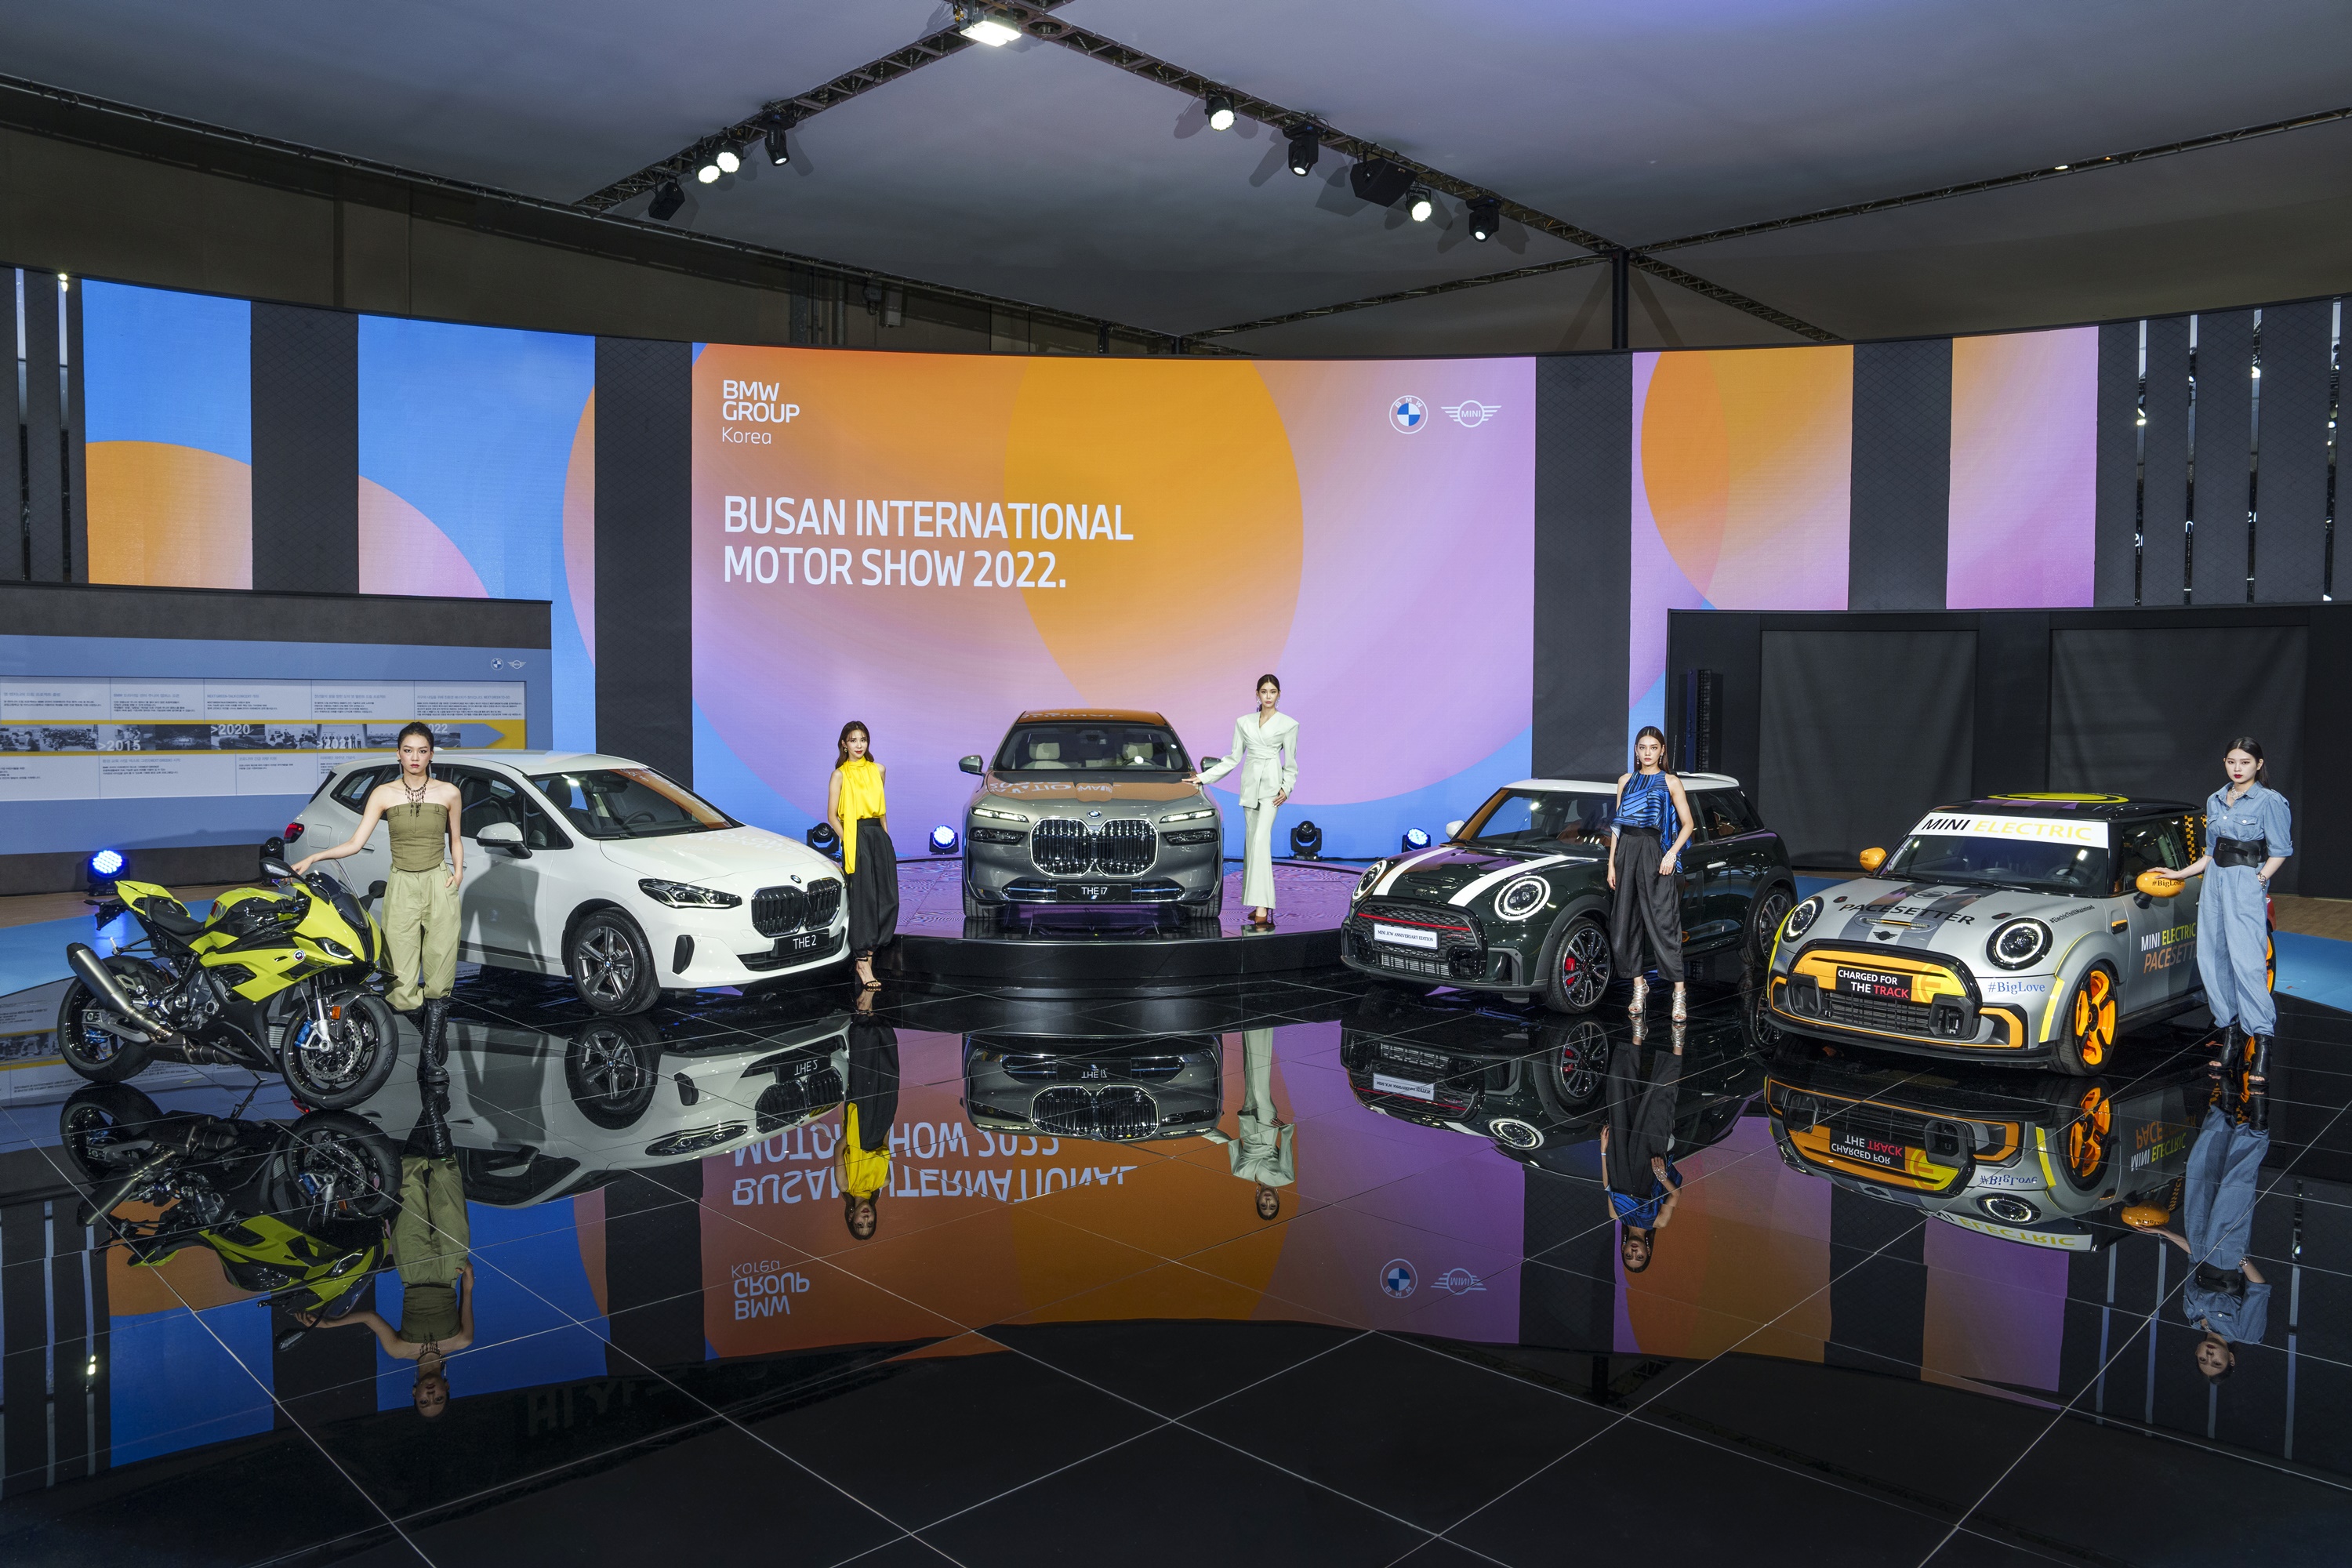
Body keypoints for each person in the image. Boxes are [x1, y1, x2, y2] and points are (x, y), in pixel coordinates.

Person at [295, 720, 463, 1099]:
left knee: (440, 975)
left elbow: (456, 837)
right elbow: (356, 843)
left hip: (439, 884)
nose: (415, 758)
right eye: (408, 750)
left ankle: (429, 1059)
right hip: (402, 885)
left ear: (431, 754)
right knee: (399, 986)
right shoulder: (384, 794)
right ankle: (432, 1030)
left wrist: (458, 872)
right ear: (398, 754)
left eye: (422, 751)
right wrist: (316, 857)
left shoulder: (449, 792)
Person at [299, 1116, 474, 1418]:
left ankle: (430, 1108)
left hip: (412, 1271)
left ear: (414, 1393)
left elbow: (370, 1317)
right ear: (446, 1388)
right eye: (438, 1399)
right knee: (447, 1184)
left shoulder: (399, 1350)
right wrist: (469, 1284)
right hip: (450, 1271)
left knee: (408, 1185)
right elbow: (467, 1297)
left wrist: (329, 1323)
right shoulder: (462, 1340)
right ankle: (435, 1109)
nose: (430, 1395)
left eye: (424, 1401)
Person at [2158, 738, 2292, 1082]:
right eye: (2232, 761)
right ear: (2225, 763)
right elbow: (2209, 852)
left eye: (2245, 762)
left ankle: (2262, 1042)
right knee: (2212, 960)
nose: (2237, 768)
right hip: (2214, 882)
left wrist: (2259, 879)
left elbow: (2280, 850)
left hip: (2245, 881)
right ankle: (2230, 1036)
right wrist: (2179, 874)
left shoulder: (2270, 801)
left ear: (2258, 764)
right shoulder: (2216, 799)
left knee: (2248, 964)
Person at [2150, 1076, 2270, 1383]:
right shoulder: (2246, 1334)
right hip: (2228, 1257)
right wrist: (2240, 1259)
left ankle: (2225, 1107)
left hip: (2200, 1247)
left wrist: (2166, 1234)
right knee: (2235, 1186)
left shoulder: (2192, 1317)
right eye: (2216, 1362)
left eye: (2203, 1359)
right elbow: (2259, 1289)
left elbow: (2194, 1262)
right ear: (2231, 1359)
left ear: (2197, 1352)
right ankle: (2257, 1122)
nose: (2209, 1355)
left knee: (2199, 1174)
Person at [1190, 674, 1298, 931]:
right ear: (1257, 694)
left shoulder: (1289, 724)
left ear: (1279, 694)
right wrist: (1203, 778)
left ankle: (1263, 907)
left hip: (1272, 788)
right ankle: (1257, 902)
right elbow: (1232, 759)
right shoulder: (1244, 722)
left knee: (1260, 841)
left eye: (1273, 691)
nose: (1269, 696)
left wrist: (1287, 788)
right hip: (1250, 787)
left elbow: (1291, 764)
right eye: (1264, 691)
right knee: (1251, 845)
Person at [1607, 726, 1695, 1020]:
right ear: (1636, 750)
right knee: (1625, 924)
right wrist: (1611, 863)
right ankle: (1639, 987)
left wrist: (1672, 853)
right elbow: (1618, 826)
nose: (1648, 753)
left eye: (1653, 747)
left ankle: (1679, 994)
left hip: (1656, 853)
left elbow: (1688, 824)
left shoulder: (1670, 781)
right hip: (1626, 852)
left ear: (1662, 751)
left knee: (1664, 923)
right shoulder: (1625, 781)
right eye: (1643, 747)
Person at [1599, 1016, 1686, 1273]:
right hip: (1649, 1168)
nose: (1634, 1252)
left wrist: (1603, 1151)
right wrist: (1663, 1177)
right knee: (1658, 1105)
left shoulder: (1615, 1216)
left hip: (1618, 1161)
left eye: (1629, 1255)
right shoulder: (1658, 1223)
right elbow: (1675, 1195)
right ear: (1648, 1251)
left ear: (1623, 1248)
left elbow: (1607, 1185)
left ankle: (1637, 1035)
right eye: (1639, 1257)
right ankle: (1678, 1042)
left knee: (1619, 1097)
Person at [828, 721, 898, 992]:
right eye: (853, 740)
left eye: (863, 739)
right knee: (864, 899)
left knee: (887, 898)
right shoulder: (840, 775)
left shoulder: (878, 770)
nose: (859, 745)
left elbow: (882, 811)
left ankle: (870, 953)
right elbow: (832, 816)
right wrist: (849, 841)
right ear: (844, 744)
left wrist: (887, 838)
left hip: (878, 836)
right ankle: (862, 961)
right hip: (855, 836)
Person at [1200, 1027, 1294, 1219]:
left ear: (1257, 1200)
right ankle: (1262, 1026)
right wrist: (1284, 1130)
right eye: (1272, 1205)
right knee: (1260, 1081)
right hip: (1267, 1125)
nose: (1268, 1202)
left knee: (1250, 1073)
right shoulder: (1285, 1178)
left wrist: (1204, 1131)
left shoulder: (1240, 1172)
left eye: (1263, 1205)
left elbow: (1231, 1143)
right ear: (1278, 1199)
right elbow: (1286, 1148)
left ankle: (1249, 1026)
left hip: (1248, 1123)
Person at [838, 988, 898, 1240]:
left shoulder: (846, 1186)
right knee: (888, 1072)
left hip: (859, 1128)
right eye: (870, 1223)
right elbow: (886, 1145)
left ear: (851, 1217)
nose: (866, 1219)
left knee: (864, 1069)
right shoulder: (884, 1183)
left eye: (860, 1224)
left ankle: (863, 1012)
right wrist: (887, 1121)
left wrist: (854, 1129)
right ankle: (877, 1015)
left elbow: (839, 1148)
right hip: (882, 1121)